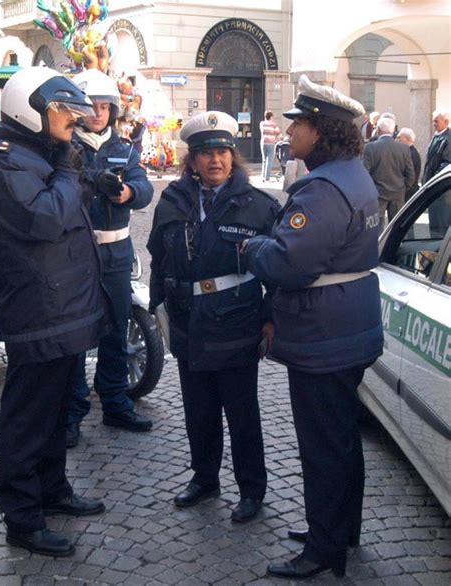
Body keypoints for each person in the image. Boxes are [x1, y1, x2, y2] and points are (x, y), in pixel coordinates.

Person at [241, 75, 384, 580]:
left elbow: (286, 264)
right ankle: (341, 529)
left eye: (298, 122)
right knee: (342, 437)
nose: (290, 129)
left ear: (320, 130)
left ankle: (324, 548)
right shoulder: (352, 174)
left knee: (323, 445)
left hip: (326, 332)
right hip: (351, 322)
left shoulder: (323, 188)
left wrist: (252, 247)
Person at [0, 67, 108, 557]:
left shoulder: (40, 156)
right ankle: (22, 517)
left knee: (54, 412)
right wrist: (73, 172)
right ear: (27, 111)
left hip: (64, 308)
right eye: (62, 112)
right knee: (28, 418)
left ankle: (53, 490)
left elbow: (66, 202)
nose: (72, 121)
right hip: (38, 311)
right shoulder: (7, 164)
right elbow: (46, 216)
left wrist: (92, 178)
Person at [147, 111, 280, 522]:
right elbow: (157, 257)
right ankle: (204, 478)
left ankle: (251, 489)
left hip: (237, 321)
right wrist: (159, 310)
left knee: (242, 413)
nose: (215, 161)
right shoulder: (172, 201)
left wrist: (270, 318)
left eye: (222, 151)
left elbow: (276, 273)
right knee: (198, 410)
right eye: (205, 153)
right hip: (188, 322)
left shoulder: (259, 207)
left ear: (233, 155)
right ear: (192, 159)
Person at [65, 69, 154, 448]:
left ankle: (115, 402)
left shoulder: (126, 147)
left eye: (105, 106)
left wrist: (128, 192)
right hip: (77, 251)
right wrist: (89, 181)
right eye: (92, 106)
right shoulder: (63, 145)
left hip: (116, 250)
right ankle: (71, 413)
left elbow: (146, 187)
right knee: (73, 333)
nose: (98, 113)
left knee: (117, 326)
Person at [363, 117, 414, 231]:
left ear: (379, 130)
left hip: (377, 193)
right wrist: (404, 188)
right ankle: (395, 247)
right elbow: (410, 174)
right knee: (396, 227)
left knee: (376, 228)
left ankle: (378, 247)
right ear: (393, 131)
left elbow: (364, 174)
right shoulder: (404, 148)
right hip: (397, 192)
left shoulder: (370, 147)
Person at [422, 109, 450, 183]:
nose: (434, 124)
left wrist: (435, 180)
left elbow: (446, 163)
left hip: (437, 183)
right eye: (433, 121)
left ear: (446, 122)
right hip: (429, 180)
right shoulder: (436, 136)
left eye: (436, 121)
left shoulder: (448, 138)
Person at [397, 127, 421, 201]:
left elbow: (410, 175)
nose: (398, 140)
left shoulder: (411, 154)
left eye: (400, 138)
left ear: (407, 139)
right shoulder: (408, 152)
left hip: (408, 192)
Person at [260, 110, 281, 181]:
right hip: (271, 143)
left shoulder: (262, 124)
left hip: (263, 143)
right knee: (270, 160)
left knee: (264, 160)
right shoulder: (273, 124)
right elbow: (278, 133)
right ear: (271, 116)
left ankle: (262, 176)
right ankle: (267, 177)